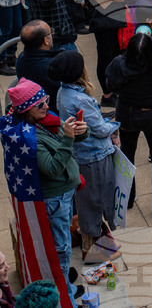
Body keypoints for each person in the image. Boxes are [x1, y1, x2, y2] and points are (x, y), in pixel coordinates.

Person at [5, 79, 89, 299]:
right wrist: (69, 138)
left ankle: (65, 285)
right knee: (61, 249)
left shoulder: (40, 122)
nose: (46, 107)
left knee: (63, 243)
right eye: (40, 104)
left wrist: (81, 132)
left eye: (46, 101)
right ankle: (64, 297)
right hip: (55, 199)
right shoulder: (29, 137)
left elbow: (61, 139)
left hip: (63, 195)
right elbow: (53, 167)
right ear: (26, 109)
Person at [52, 51, 121, 264]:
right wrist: (116, 124)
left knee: (88, 201)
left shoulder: (63, 93)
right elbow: (100, 129)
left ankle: (94, 244)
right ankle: (91, 252)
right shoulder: (80, 98)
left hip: (81, 155)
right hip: (95, 157)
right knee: (95, 202)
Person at [107, 33, 152, 218]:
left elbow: (110, 84)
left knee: (128, 156)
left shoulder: (118, 64)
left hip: (126, 114)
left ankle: (127, 199)